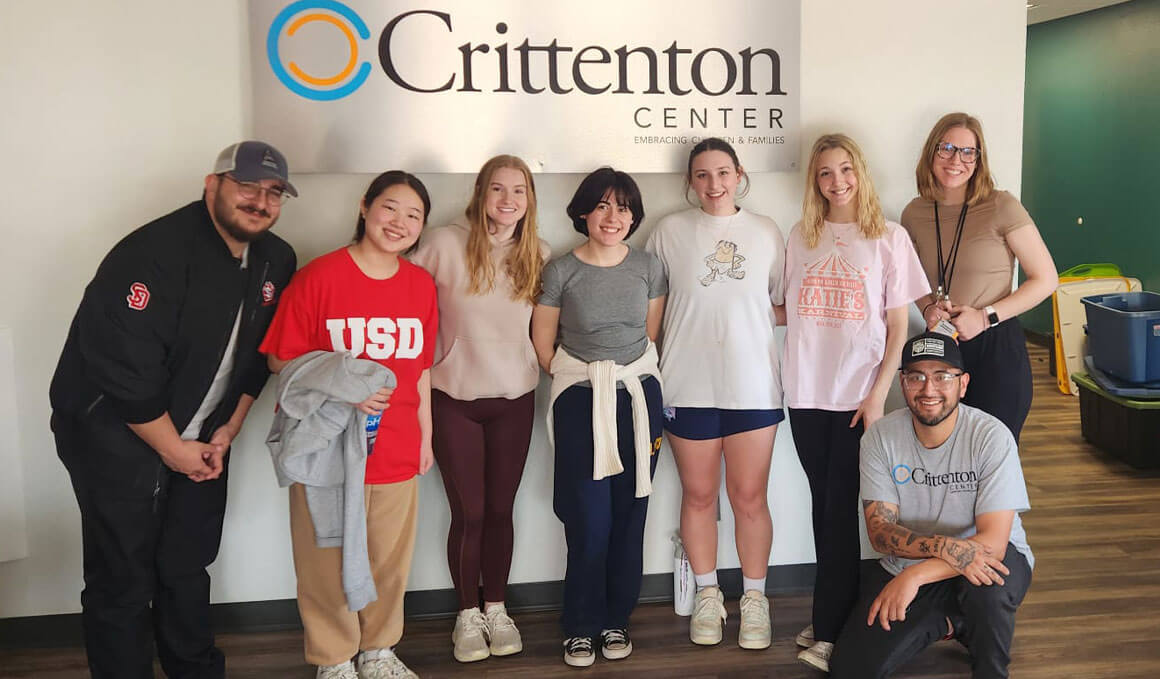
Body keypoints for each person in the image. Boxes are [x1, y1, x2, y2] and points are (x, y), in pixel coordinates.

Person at [49, 141, 298, 678]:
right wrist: (172, 449)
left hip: (204, 436)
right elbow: (124, 370)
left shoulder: (277, 258)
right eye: (248, 187)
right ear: (213, 185)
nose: (260, 201)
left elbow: (258, 357)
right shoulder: (152, 252)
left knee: (186, 564)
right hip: (113, 433)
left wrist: (226, 431)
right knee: (123, 576)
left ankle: (195, 668)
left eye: (274, 193)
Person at [260, 171, 437, 679]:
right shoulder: (320, 277)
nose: (399, 222)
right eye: (389, 207)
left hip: (397, 444)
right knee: (324, 561)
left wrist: (425, 436)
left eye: (413, 215)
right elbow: (280, 361)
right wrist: (343, 382)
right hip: (325, 448)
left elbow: (420, 370)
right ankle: (334, 658)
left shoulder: (420, 285)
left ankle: (378, 651)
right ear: (365, 208)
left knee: (388, 560)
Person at [783, 134, 931, 671]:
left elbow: (898, 325)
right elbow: (784, 308)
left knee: (839, 509)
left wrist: (876, 396)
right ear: (815, 182)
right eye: (825, 173)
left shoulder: (887, 237)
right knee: (823, 506)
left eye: (845, 170)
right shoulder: (802, 235)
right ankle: (833, 613)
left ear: (860, 173)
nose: (837, 181)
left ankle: (830, 634)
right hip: (804, 393)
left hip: (855, 397)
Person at [646, 138, 784, 650]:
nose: (713, 184)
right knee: (698, 495)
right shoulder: (669, 232)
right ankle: (708, 595)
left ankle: (753, 598)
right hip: (686, 382)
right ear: (690, 181)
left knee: (749, 497)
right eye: (702, 175)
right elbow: (652, 306)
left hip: (752, 386)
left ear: (739, 174)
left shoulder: (766, 231)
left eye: (722, 173)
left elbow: (779, 305)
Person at [409, 155, 548, 664]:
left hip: (515, 400)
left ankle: (497, 606)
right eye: (497, 189)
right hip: (452, 399)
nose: (508, 200)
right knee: (468, 512)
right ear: (479, 194)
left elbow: (547, 328)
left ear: (530, 199)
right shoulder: (443, 244)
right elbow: (403, 298)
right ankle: (467, 613)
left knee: (499, 510)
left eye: (519, 190)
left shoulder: (539, 254)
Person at [830, 331, 1033, 679]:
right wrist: (927, 559)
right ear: (903, 382)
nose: (929, 389)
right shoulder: (880, 437)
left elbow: (993, 544)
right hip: (906, 563)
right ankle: (952, 621)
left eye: (942, 376)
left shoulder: (990, 436)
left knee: (987, 587)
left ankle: (991, 670)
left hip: (985, 560)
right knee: (850, 669)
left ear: (963, 384)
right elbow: (880, 533)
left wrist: (917, 575)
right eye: (917, 376)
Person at [530, 167, 666, 667]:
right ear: (584, 211)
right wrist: (587, 385)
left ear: (634, 216)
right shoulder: (561, 271)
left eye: (624, 207)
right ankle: (581, 624)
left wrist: (620, 382)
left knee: (632, 513)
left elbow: (649, 337)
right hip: (581, 399)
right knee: (588, 517)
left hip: (637, 397)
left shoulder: (650, 267)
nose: (613, 217)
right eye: (603, 206)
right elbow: (544, 344)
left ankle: (616, 619)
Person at [902, 112, 1058, 441]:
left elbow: (1046, 279)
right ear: (931, 152)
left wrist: (986, 317)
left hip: (996, 346)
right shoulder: (914, 212)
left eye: (967, 151)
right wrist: (928, 308)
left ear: (978, 159)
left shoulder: (1001, 205)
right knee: (942, 457)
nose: (956, 160)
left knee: (993, 460)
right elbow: (909, 275)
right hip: (942, 347)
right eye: (946, 148)